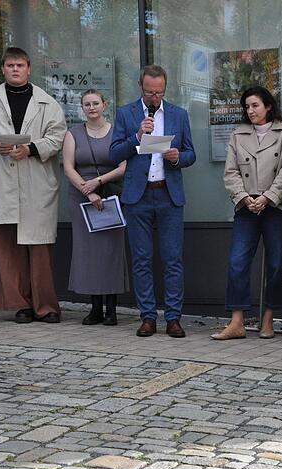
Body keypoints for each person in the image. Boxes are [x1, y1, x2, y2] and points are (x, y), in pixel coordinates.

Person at [0, 47, 66, 324]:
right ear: (2, 69)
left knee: (39, 248)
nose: (15, 69)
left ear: (29, 68)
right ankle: (20, 305)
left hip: (36, 181)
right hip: (4, 180)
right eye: (10, 65)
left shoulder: (47, 102)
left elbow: (58, 135)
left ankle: (46, 306)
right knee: (8, 248)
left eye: (20, 65)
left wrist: (32, 149)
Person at [109, 65, 196, 338]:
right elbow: (113, 153)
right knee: (142, 259)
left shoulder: (179, 115)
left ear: (165, 88)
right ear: (140, 87)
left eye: (159, 92)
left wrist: (177, 157)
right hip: (138, 195)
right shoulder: (126, 113)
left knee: (172, 260)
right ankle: (147, 317)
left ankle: (173, 318)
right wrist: (136, 137)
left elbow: (191, 153)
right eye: (149, 92)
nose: (154, 98)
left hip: (168, 195)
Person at [211, 87, 282, 340]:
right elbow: (230, 172)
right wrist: (243, 197)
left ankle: (268, 319)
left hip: (276, 206)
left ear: (268, 106)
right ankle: (237, 321)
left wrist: (268, 197)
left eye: (255, 106)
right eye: (247, 107)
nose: (250, 111)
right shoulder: (238, 134)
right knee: (237, 262)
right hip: (245, 206)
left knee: (275, 263)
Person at [62, 89, 130, 326]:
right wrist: (87, 191)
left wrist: (99, 182)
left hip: (110, 194)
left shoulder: (117, 132)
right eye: (87, 104)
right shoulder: (73, 134)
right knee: (88, 253)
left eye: (95, 103)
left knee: (111, 251)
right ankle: (95, 308)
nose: (91, 108)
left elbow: (124, 166)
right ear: (82, 108)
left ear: (104, 105)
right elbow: (69, 167)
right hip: (82, 197)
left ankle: (112, 309)